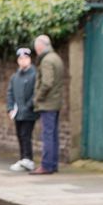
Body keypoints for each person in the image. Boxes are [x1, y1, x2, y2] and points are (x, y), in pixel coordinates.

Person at [32, 35, 63, 175]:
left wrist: (38, 98)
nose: (36, 50)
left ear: (40, 46)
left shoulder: (47, 60)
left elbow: (47, 83)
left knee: (48, 135)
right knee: (53, 135)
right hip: (55, 102)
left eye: (36, 47)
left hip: (48, 103)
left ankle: (46, 165)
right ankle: (53, 164)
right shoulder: (56, 57)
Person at [7, 47, 38, 172]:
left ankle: (28, 159)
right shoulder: (15, 77)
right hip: (17, 113)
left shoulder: (34, 75)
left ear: (30, 59)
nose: (23, 60)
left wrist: (28, 106)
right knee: (20, 135)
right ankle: (23, 158)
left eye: (25, 58)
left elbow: (36, 93)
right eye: (20, 58)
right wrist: (10, 108)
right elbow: (10, 93)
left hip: (29, 112)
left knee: (26, 135)